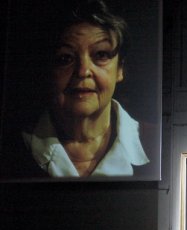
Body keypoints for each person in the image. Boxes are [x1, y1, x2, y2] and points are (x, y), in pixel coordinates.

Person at [1, 0, 156, 178]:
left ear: (119, 69)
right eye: (66, 58)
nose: (83, 71)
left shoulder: (156, 142)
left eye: (100, 55)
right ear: (48, 70)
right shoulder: (10, 151)